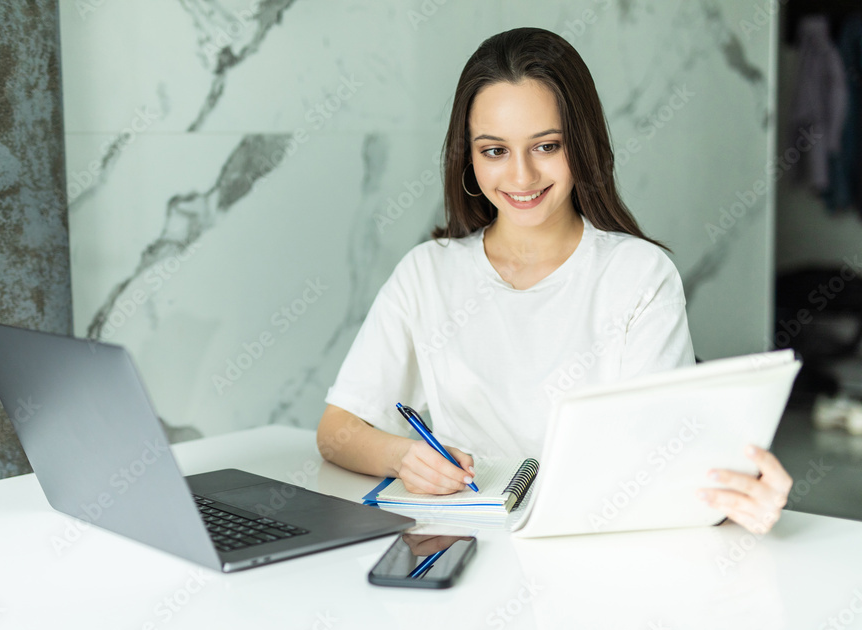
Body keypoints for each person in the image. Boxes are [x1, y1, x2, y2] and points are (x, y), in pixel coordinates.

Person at [316, 28, 792, 535]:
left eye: (546, 146)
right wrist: (403, 457)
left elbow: (661, 456)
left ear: (582, 147)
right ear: (468, 159)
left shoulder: (639, 276)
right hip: (465, 543)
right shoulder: (426, 273)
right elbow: (336, 432)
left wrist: (733, 493)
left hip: (598, 548)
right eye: (494, 151)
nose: (521, 177)